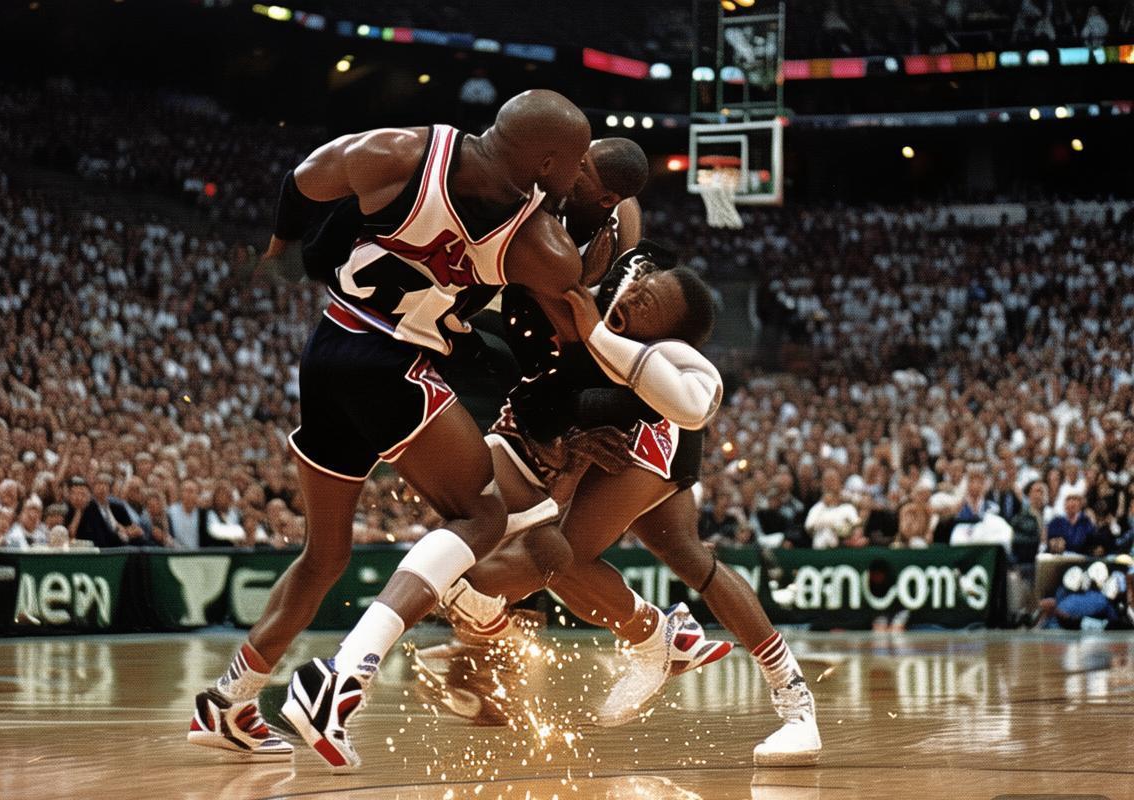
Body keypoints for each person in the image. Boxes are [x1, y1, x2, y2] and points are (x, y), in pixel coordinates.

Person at [190, 90, 700, 768]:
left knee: (325, 556)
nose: (582, 172)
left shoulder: (401, 150)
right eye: (577, 161)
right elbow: (578, 321)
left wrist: (281, 249)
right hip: (390, 365)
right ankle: (341, 678)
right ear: (548, 163)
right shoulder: (536, 242)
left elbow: (306, 178)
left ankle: (228, 702)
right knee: (483, 514)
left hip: (329, 348)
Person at [439, 245, 820, 765]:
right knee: (687, 558)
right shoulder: (609, 281)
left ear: (665, 335)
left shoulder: (661, 354)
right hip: (626, 429)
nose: (636, 296)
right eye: (641, 286)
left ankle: (660, 642)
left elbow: (686, 402)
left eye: (649, 304)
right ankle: (761, 685)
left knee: (563, 558)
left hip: (653, 433)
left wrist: (594, 336)